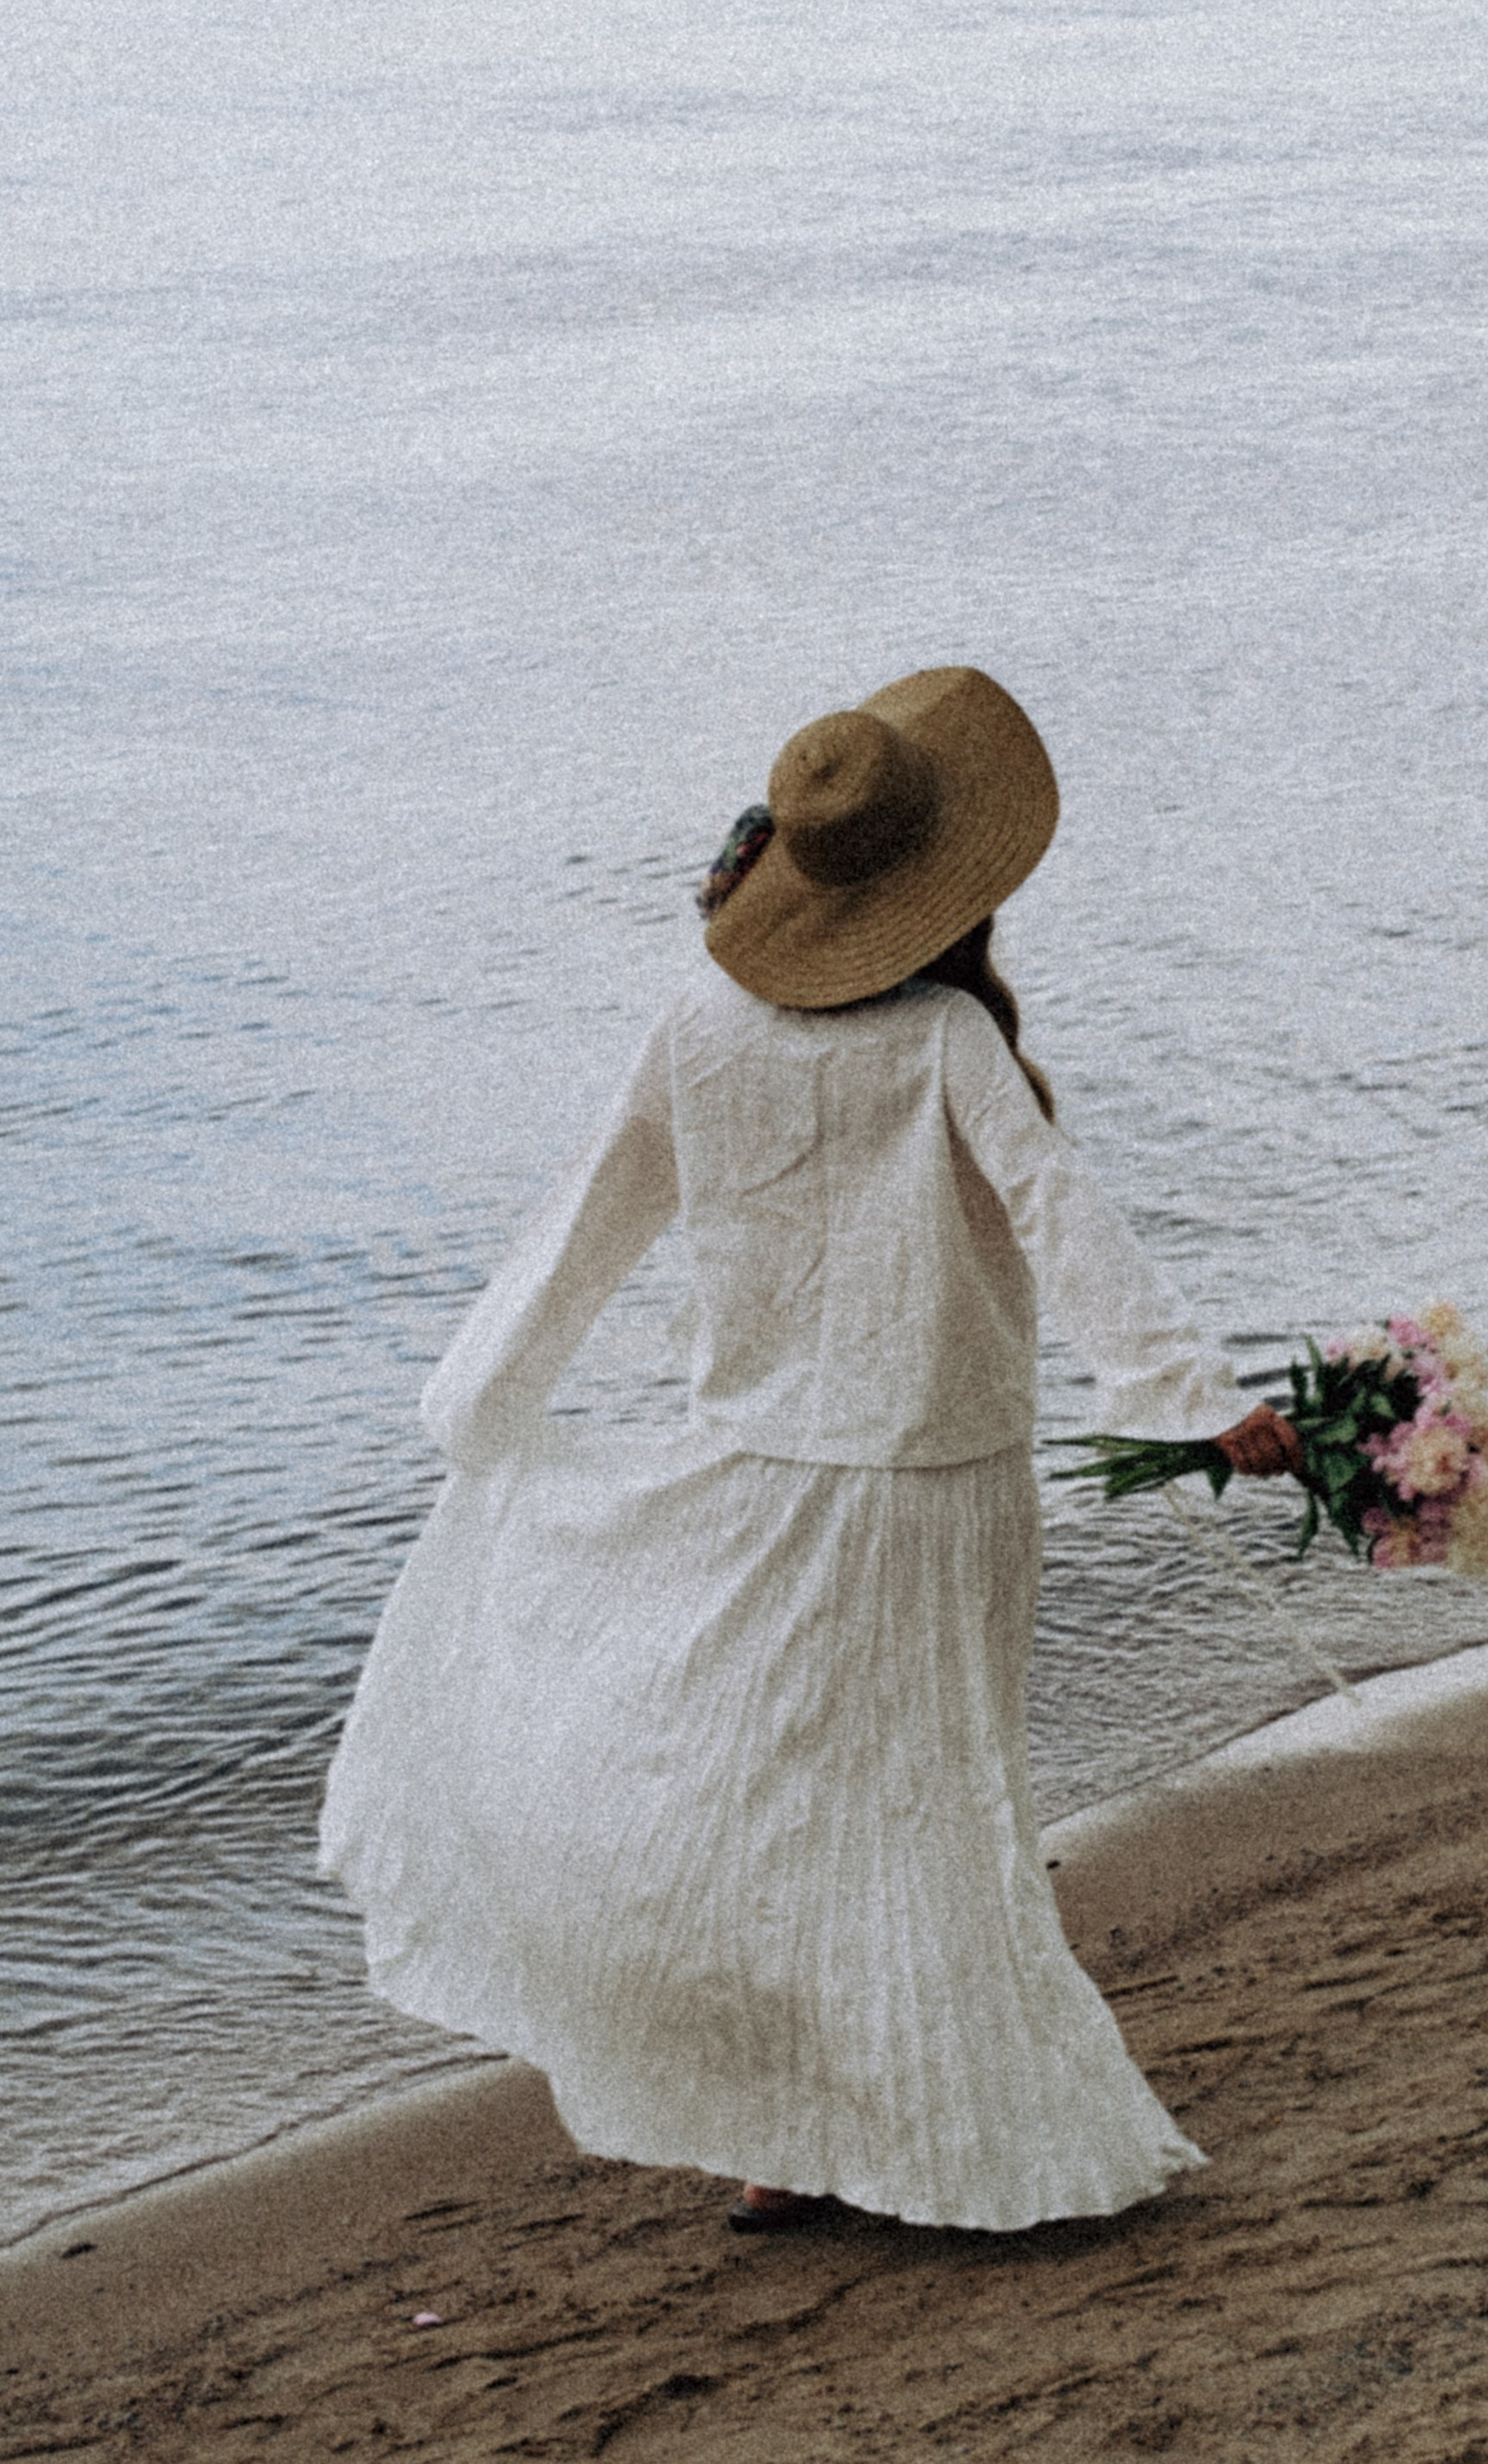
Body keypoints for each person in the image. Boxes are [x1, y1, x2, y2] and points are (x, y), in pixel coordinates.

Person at [320, 665, 1298, 2238]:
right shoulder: (941, 1045)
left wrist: (484, 1402)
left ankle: (794, 2137)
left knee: (773, 1812)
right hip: (933, 1489)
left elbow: (588, 1219)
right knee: (928, 1809)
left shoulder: (701, 1025)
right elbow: (1065, 1219)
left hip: (765, 1481)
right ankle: (950, 2133)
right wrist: (1193, 1400)